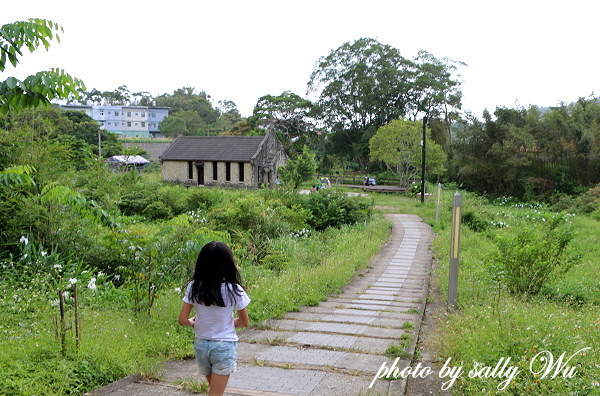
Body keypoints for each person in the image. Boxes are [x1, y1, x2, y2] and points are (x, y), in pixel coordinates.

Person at [178, 241, 250, 396]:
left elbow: (183, 320)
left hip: (202, 345)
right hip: (224, 346)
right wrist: (229, 324)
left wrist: (192, 322)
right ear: (228, 263)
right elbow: (244, 322)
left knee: (215, 392)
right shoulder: (234, 289)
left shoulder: (194, 286)